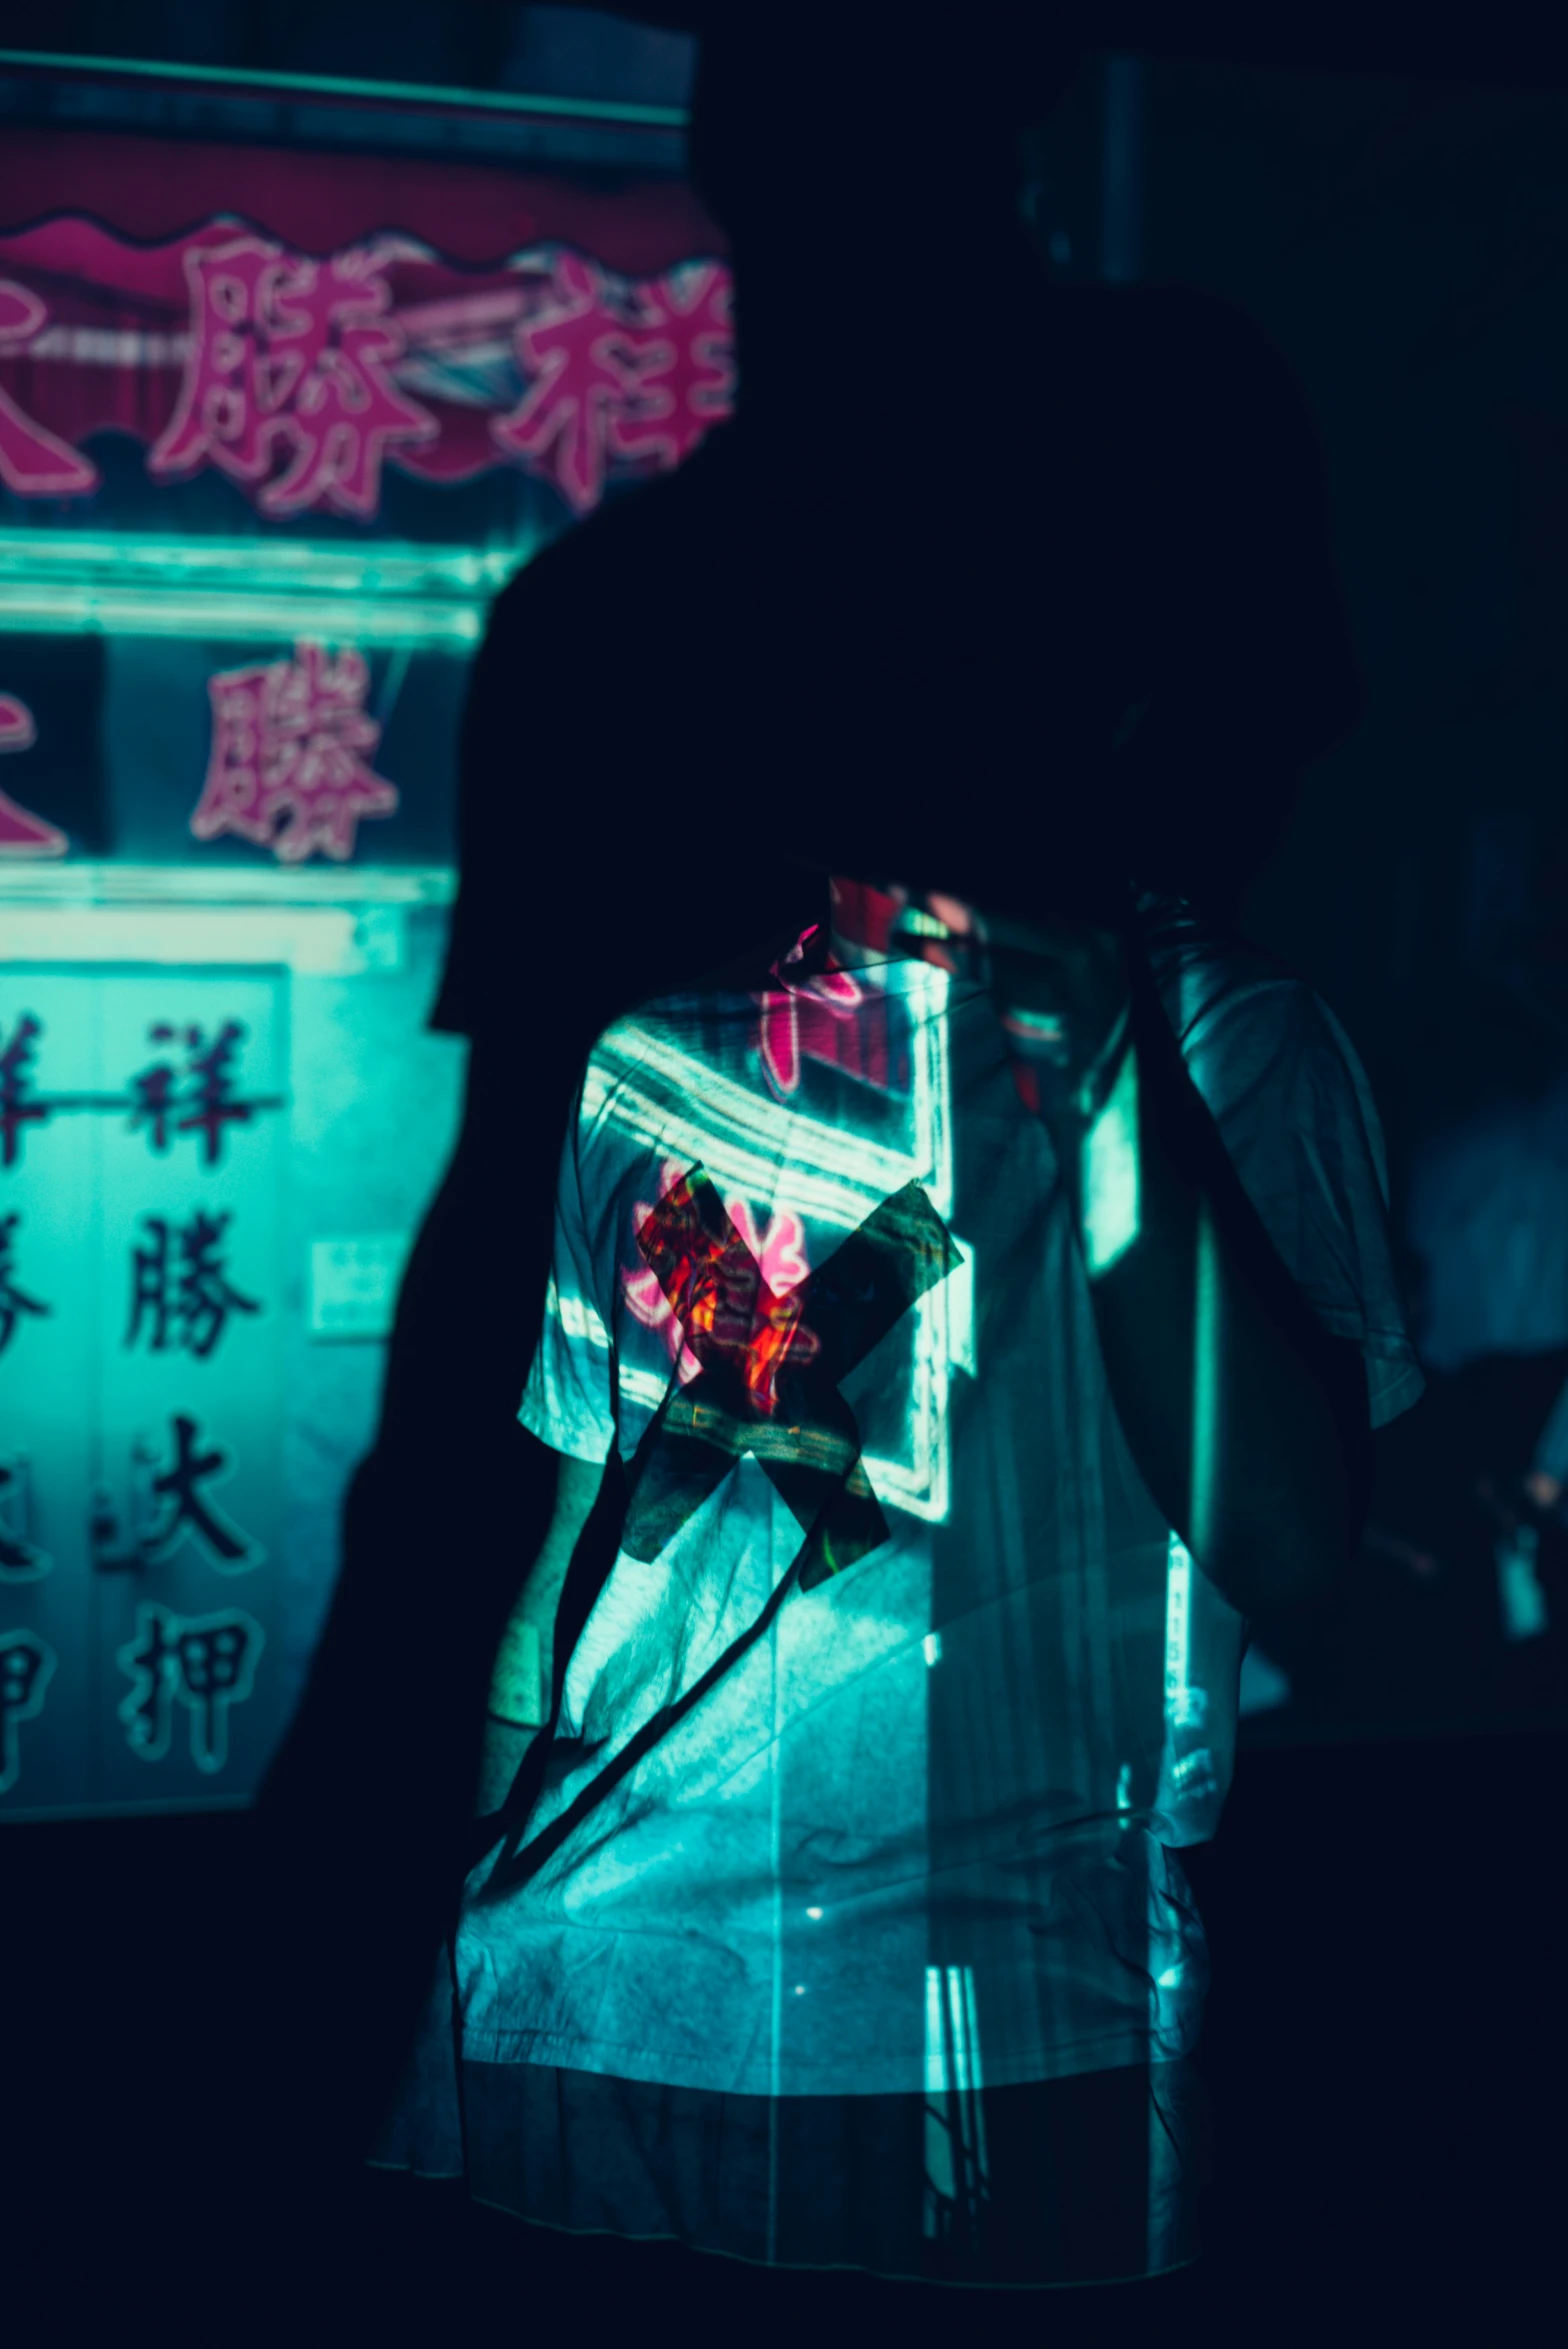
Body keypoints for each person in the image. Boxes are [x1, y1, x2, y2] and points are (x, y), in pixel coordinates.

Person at [357, 7, 1426, 2304]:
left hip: (969, 2018)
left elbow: (1301, 1541)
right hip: (618, 1989)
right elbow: (547, 1470)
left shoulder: (1209, 1045)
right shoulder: (675, 972)